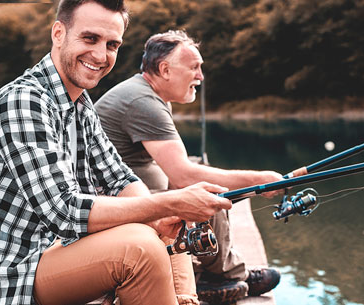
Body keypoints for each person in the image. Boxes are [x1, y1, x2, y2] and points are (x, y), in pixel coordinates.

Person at [0, 3, 233, 305]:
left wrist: (161, 215)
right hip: (11, 275)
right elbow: (64, 211)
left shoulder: (81, 106)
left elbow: (119, 179)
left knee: (163, 229)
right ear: (59, 33)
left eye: (112, 44)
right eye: (89, 38)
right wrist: (169, 202)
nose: (101, 55)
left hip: (56, 250)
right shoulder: (23, 101)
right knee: (139, 249)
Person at [95, 30, 283, 304]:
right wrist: (261, 179)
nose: (201, 76)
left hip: (128, 197)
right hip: (115, 208)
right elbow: (184, 174)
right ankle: (223, 276)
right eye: (194, 67)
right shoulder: (143, 102)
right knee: (208, 192)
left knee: (202, 186)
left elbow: (174, 171)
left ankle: (219, 271)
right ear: (165, 69)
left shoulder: (146, 94)